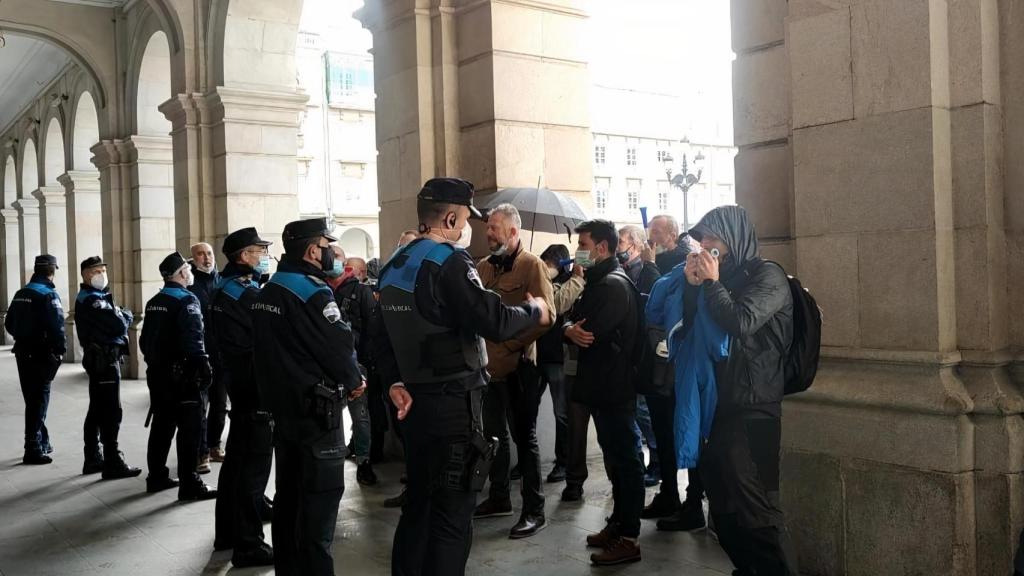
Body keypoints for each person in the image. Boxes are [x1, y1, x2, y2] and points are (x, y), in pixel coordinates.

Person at [375, 177, 551, 576]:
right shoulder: (448, 262)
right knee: (453, 514)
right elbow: (492, 318)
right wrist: (534, 310)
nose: (469, 227)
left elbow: (379, 337)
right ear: (452, 217)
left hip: (413, 404)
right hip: (453, 406)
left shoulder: (393, 265)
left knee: (418, 507)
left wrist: (393, 382)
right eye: (468, 218)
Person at [687, 205, 798, 575]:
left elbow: (740, 321)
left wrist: (712, 284)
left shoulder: (768, 276)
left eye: (712, 238)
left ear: (733, 239)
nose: (705, 245)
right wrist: (692, 287)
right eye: (701, 238)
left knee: (756, 508)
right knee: (723, 503)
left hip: (755, 406)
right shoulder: (721, 278)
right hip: (720, 404)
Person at [253, 218, 365, 576]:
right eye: (327, 244)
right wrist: (353, 379)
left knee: (289, 502)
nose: (332, 251)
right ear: (313, 250)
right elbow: (338, 345)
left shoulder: (269, 290)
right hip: (318, 416)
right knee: (318, 511)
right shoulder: (313, 292)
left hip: (284, 413)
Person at [563, 219, 644, 566]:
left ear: (601, 247)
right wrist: (568, 329)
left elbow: (588, 329)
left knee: (626, 461)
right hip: (601, 385)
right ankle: (618, 524)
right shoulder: (598, 281)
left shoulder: (611, 285)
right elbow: (569, 319)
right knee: (615, 458)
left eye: (583, 242)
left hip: (614, 386)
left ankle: (629, 536)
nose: (578, 249)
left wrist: (569, 328)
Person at [473, 203, 555, 539]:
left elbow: (546, 314)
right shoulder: (481, 267)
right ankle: (499, 497)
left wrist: (510, 345)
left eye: (495, 227)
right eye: (487, 227)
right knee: (494, 436)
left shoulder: (531, 265)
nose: (488, 233)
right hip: (489, 370)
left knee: (526, 439)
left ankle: (534, 510)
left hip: (520, 368)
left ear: (513, 231)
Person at [211, 227, 275, 567]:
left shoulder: (228, 287)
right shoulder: (244, 293)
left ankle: (227, 532)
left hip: (239, 381)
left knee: (237, 463)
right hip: (253, 384)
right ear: (242, 257)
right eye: (259, 250)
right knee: (253, 467)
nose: (264, 255)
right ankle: (249, 544)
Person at [141, 252, 217, 501]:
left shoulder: (154, 301)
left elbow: (144, 341)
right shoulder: (187, 300)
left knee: (162, 426)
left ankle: (157, 476)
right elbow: (194, 340)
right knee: (189, 430)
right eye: (188, 268)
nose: (191, 272)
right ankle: (189, 483)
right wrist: (203, 368)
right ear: (183, 273)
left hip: (158, 374)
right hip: (183, 377)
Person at [75, 256, 142, 479]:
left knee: (97, 408)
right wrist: (123, 314)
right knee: (111, 410)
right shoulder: (93, 300)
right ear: (85, 274)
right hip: (103, 360)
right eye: (96, 271)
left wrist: (122, 314)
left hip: (101, 359)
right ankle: (112, 460)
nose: (101, 275)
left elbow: (121, 318)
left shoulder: (96, 297)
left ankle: (93, 457)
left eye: (103, 270)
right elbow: (120, 322)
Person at [5, 254, 65, 465]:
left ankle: (41, 440)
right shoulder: (48, 294)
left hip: (22, 352)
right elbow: (58, 327)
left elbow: (9, 323)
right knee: (39, 401)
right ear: (51, 270)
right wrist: (59, 351)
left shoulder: (21, 293)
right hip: (41, 354)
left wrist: (23, 336)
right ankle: (32, 447)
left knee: (32, 399)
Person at [325, 247, 377, 486]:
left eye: (336, 256)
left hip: (356, 364)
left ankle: (364, 462)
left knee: (361, 415)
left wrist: (365, 362)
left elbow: (371, 329)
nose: (332, 260)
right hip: (327, 367)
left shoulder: (360, 290)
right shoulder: (321, 288)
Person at [618, 225, 662, 487]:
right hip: (625, 352)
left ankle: (656, 460)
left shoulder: (646, 272)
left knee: (644, 411)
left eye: (622, 242)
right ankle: (640, 461)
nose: (618, 247)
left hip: (643, 352)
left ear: (635, 245)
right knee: (634, 411)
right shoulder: (622, 271)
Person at [535, 244, 579, 484]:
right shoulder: (539, 280)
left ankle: (563, 463)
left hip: (558, 359)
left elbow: (559, 305)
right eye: (545, 260)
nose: (547, 265)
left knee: (562, 413)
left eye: (551, 261)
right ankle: (526, 462)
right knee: (526, 410)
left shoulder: (572, 284)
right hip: (536, 355)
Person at [190, 242, 226, 474]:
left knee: (220, 404)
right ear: (192, 259)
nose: (206, 258)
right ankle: (200, 452)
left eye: (210, 253)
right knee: (200, 406)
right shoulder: (189, 283)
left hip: (221, 353)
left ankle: (214, 445)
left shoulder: (221, 281)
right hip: (200, 354)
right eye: (201, 254)